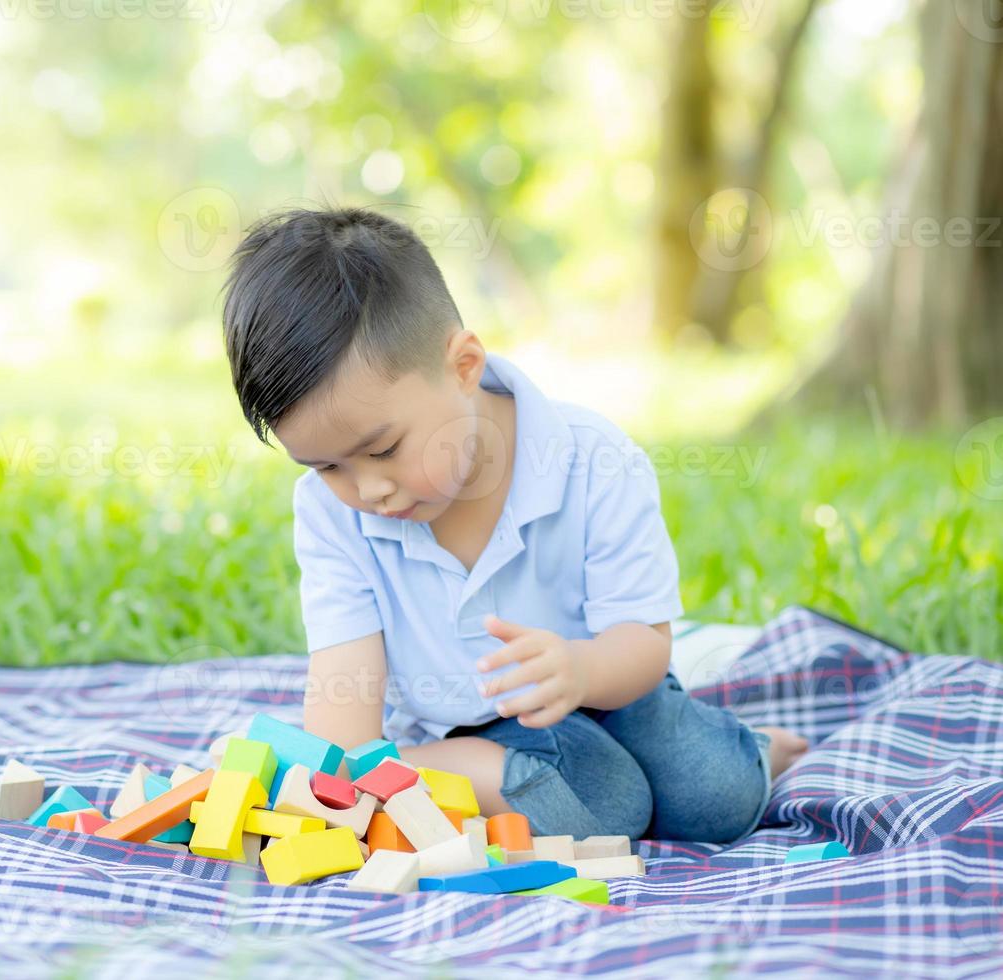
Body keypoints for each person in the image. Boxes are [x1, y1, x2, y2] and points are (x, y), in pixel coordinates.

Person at [219, 206, 808, 842]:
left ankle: (756, 748)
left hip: (611, 686)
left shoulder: (591, 459)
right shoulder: (331, 512)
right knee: (607, 810)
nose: (370, 489)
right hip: (470, 732)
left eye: (384, 450)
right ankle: (438, 772)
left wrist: (580, 670)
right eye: (328, 465)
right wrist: (341, 782)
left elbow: (641, 640)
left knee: (715, 796)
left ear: (464, 366)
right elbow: (343, 698)